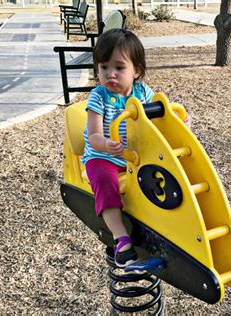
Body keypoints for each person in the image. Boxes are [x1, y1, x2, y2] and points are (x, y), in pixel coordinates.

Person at [81, 29, 153, 268]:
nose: (110, 74)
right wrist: (105, 144)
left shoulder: (144, 93)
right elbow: (93, 135)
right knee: (103, 179)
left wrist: (180, 122)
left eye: (119, 68)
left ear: (137, 71)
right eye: (103, 67)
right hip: (103, 155)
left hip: (134, 156)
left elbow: (160, 119)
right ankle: (120, 236)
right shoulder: (98, 96)